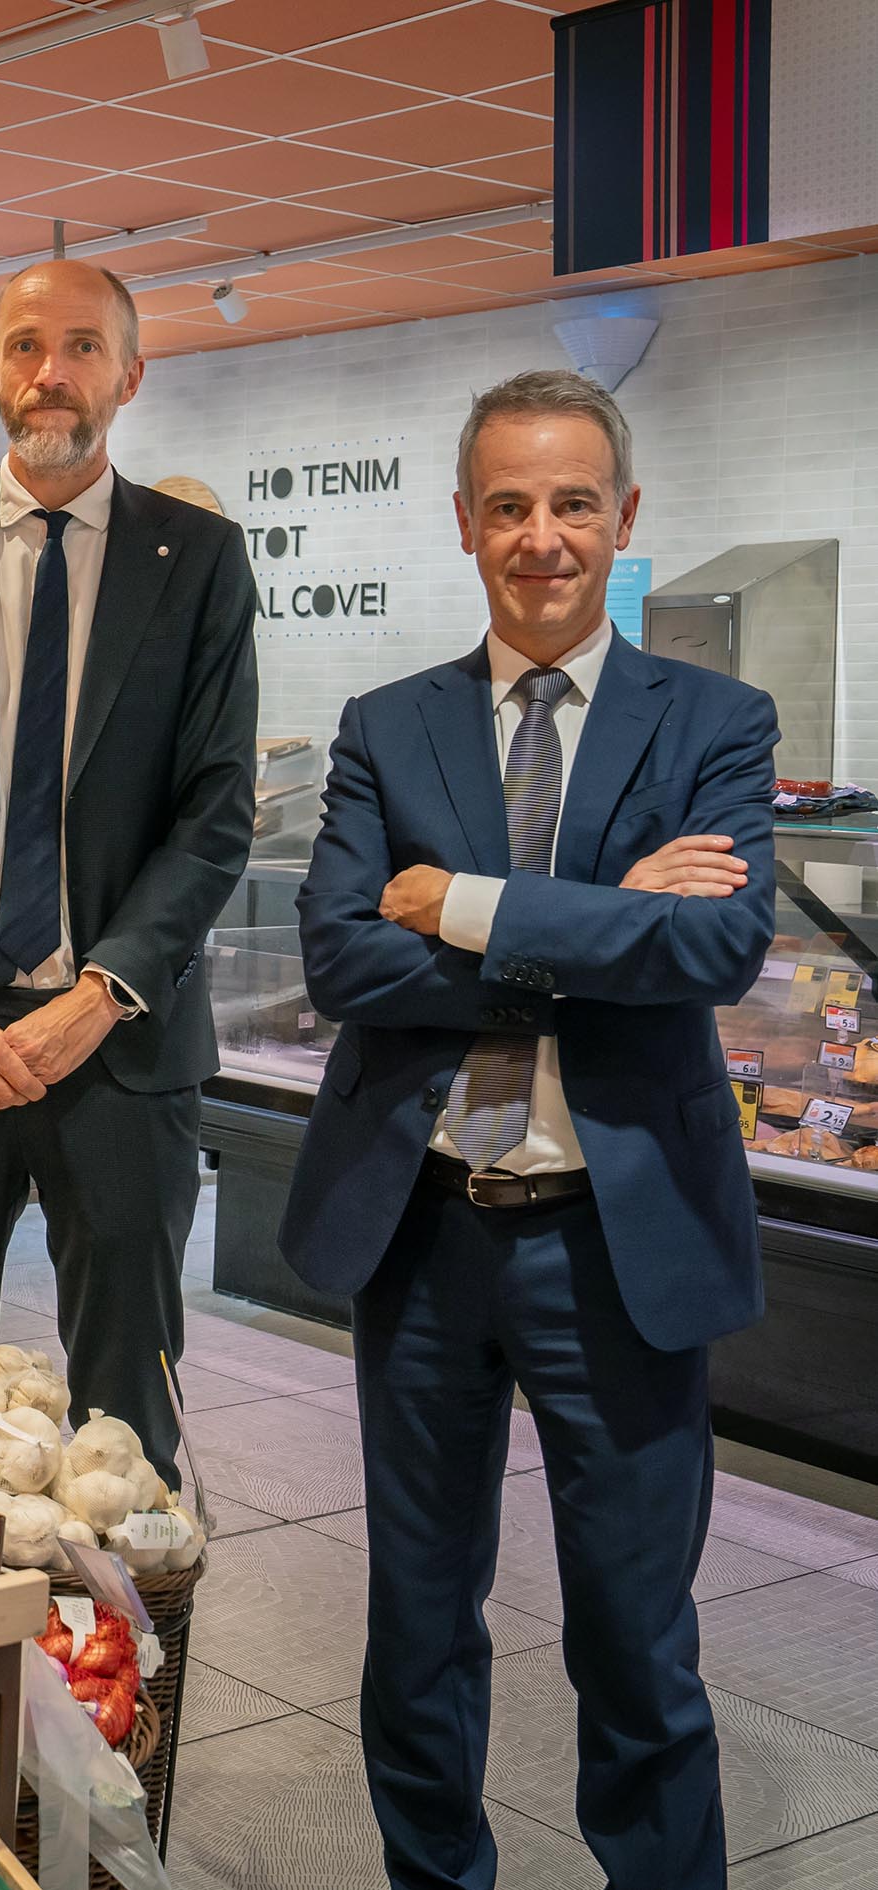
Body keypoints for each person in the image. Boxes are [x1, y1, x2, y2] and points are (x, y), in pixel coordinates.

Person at [284, 369, 773, 1889]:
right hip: (419, 1227)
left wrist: (471, 904)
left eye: (571, 503)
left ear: (620, 518)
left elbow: (714, 951)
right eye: (506, 505)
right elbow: (336, 958)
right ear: (461, 524)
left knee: (634, 1634)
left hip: (618, 1245)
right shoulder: (386, 724)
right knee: (417, 1619)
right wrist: (605, 921)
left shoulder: (714, 719)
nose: (539, 536)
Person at [0, 259, 259, 1475]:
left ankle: (145, 1662)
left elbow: (216, 810)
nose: (50, 373)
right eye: (24, 346)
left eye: (81, 346)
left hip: (118, 1051)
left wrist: (102, 991)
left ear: (130, 374)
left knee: (129, 1409)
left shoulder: (201, 564)